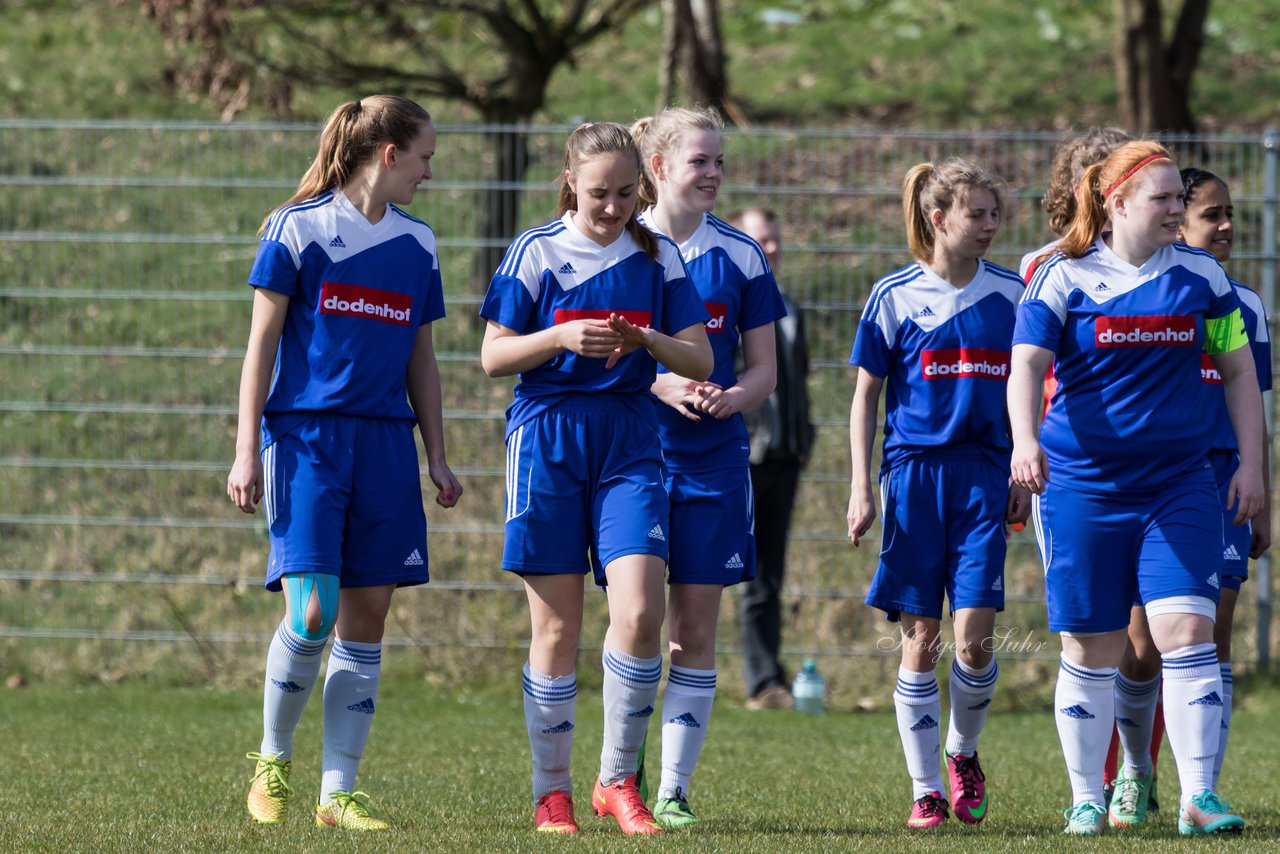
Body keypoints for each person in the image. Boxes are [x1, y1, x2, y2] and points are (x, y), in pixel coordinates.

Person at [1010, 141, 1264, 837]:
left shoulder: (1202, 278)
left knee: (1188, 633)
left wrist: (1252, 465)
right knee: (1092, 648)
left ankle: (1200, 795)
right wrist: (1025, 442)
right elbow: (1025, 368)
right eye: (1164, 199)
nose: (1177, 210)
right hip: (1082, 487)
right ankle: (1086, 796)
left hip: (1179, 485)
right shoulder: (1060, 276)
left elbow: (1240, 374)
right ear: (1117, 203)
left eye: (1180, 200)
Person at [227, 95, 462, 832]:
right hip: (306, 441)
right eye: (424, 157)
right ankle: (272, 758)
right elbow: (260, 347)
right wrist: (244, 449)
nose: (430, 172)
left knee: (366, 619)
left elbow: (422, 359)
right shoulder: (297, 231)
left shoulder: (418, 245)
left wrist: (439, 455)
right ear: (389, 154)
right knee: (314, 610)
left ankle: (339, 794)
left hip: (386, 445)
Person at [478, 121, 713, 836]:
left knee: (642, 613)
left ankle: (617, 780)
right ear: (570, 183)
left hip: (629, 441)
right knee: (556, 628)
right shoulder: (536, 250)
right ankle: (553, 792)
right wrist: (557, 337)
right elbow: (493, 356)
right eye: (598, 193)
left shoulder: (659, 256)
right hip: (547, 438)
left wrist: (648, 341)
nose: (612, 207)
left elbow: (699, 360)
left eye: (624, 193)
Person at [848, 159, 1029, 830]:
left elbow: (1028, 389)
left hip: (985, 477)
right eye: (976, 213)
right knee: (921, 637)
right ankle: (925, 788)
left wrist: (1021, 473)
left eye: (993, 213)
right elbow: (866, 396)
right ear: (938, 218)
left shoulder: (1012, 294)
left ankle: (962, 753)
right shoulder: (893, 295)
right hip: (913, 478)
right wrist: (861, 486)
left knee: (975, 636)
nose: (990, 225)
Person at [1101, 168, 1273, 830]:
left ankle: (1202, 789)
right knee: (1142, 641)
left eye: (1230, 213)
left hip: (1222, 477)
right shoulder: (1147, 291)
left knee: (1212, 628)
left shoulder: (1241, 305)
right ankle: (1135, 777)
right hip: (1157, 478)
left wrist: (1264, 488)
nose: (1225, 225)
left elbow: (1255, 398)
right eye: (1211, 214)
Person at [630, 108, 786, 828]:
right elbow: (607, 351)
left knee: (695, 629)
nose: (714, 174)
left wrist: (732, 399)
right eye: (700, 162)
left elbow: (764, 370)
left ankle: (672, 790)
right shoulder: (623, 245)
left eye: (719, 162)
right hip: (631, 455)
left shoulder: (742, 255)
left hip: (715, 464)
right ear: (659, 167)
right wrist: (663, 383)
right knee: (635, 621)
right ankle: (619, 771)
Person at [733, 207, 815, 712]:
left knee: (768, 573)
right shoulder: (726, 306)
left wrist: (803, 437)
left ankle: (766, 680)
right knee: (709, 570)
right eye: (761, 241)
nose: (772, 249)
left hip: (784, 458)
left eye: (776, 239)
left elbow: (796, 381)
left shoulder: (790, 308)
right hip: (742, 457)